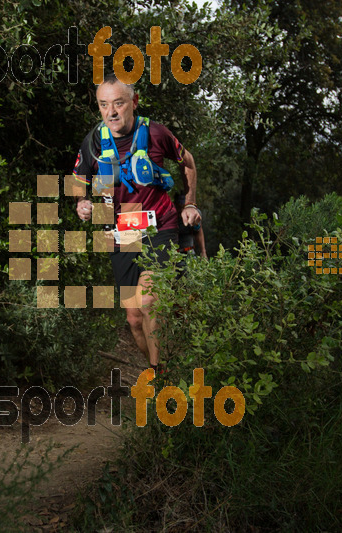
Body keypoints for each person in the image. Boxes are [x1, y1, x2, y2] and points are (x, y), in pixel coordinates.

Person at [72, 74, 201, 372]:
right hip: (122, 235)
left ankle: (158, 381)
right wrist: (81, 203)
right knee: (134, 320)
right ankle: (163, 368)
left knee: (149, 301)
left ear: (134, 102)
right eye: (104, 105)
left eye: (118, 103)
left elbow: (188, 161)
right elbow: (79, 180)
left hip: (161, 226)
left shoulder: (156, 133)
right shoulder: (93, 142)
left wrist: (190, 202)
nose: (111, 112)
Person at [175, 193, 207, 258]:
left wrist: (203, 252)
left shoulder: (194, 214)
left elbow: (198, 232)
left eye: (182, 205)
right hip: (173, 254)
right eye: (179, 205)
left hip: (189, 252)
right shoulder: (170, 215)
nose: (181, 207)